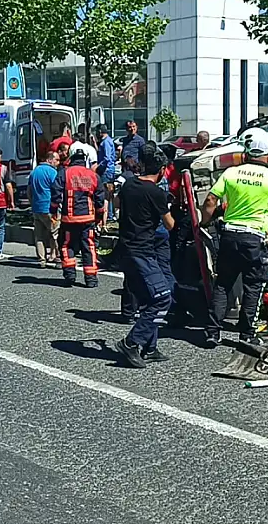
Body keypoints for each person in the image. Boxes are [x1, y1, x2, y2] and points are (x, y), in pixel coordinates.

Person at [200, 128, 268, 346]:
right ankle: (247, 334)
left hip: (230, 236)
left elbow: (211, 200)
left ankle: (213, 332)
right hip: (255, 239)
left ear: (246, 154)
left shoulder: (231, 173)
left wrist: (205, 221)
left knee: (223, 284)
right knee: (253, 286)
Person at [114, 143, 176, 368]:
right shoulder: (156, 192)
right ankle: (132, 342)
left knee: (148, 299)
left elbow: (116, 203)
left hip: (125, 250)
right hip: (142, 252)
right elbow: (169, 225)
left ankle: (149, 347)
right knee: (162, 297)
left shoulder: (129, 184)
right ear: (160, 171)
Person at [51, 148, 105, 288]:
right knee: (89, 247)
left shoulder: (65, 173)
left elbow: (55, 194)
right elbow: (100, 198)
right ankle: (91, 278)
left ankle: (70, 275)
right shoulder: (93, 175)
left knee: (66, 244)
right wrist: (99, 217)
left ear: (72, 159)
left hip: (69, 219)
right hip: (88, 219)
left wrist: (53, 211)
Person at [30, 151, 60, 268]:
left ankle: (41, 259)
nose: (58, 163)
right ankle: (58, 258)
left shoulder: (34, 172)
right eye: (56, 160)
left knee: (39, 236)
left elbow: (29, 190)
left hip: (37, 208)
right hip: (49, 208)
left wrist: (32, 204)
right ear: (50, 159)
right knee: (55, 233)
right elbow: (57, 190)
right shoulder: (52, 172)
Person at [95, 125, 118, 220]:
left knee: (106, 194)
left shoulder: (106, 143)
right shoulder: (107, 141)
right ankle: (109, 214)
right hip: (108, 170)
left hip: (106, 171)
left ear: (100, 131)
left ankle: (108, 215)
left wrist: (98, 166)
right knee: (108, 194)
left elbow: (107, 158)